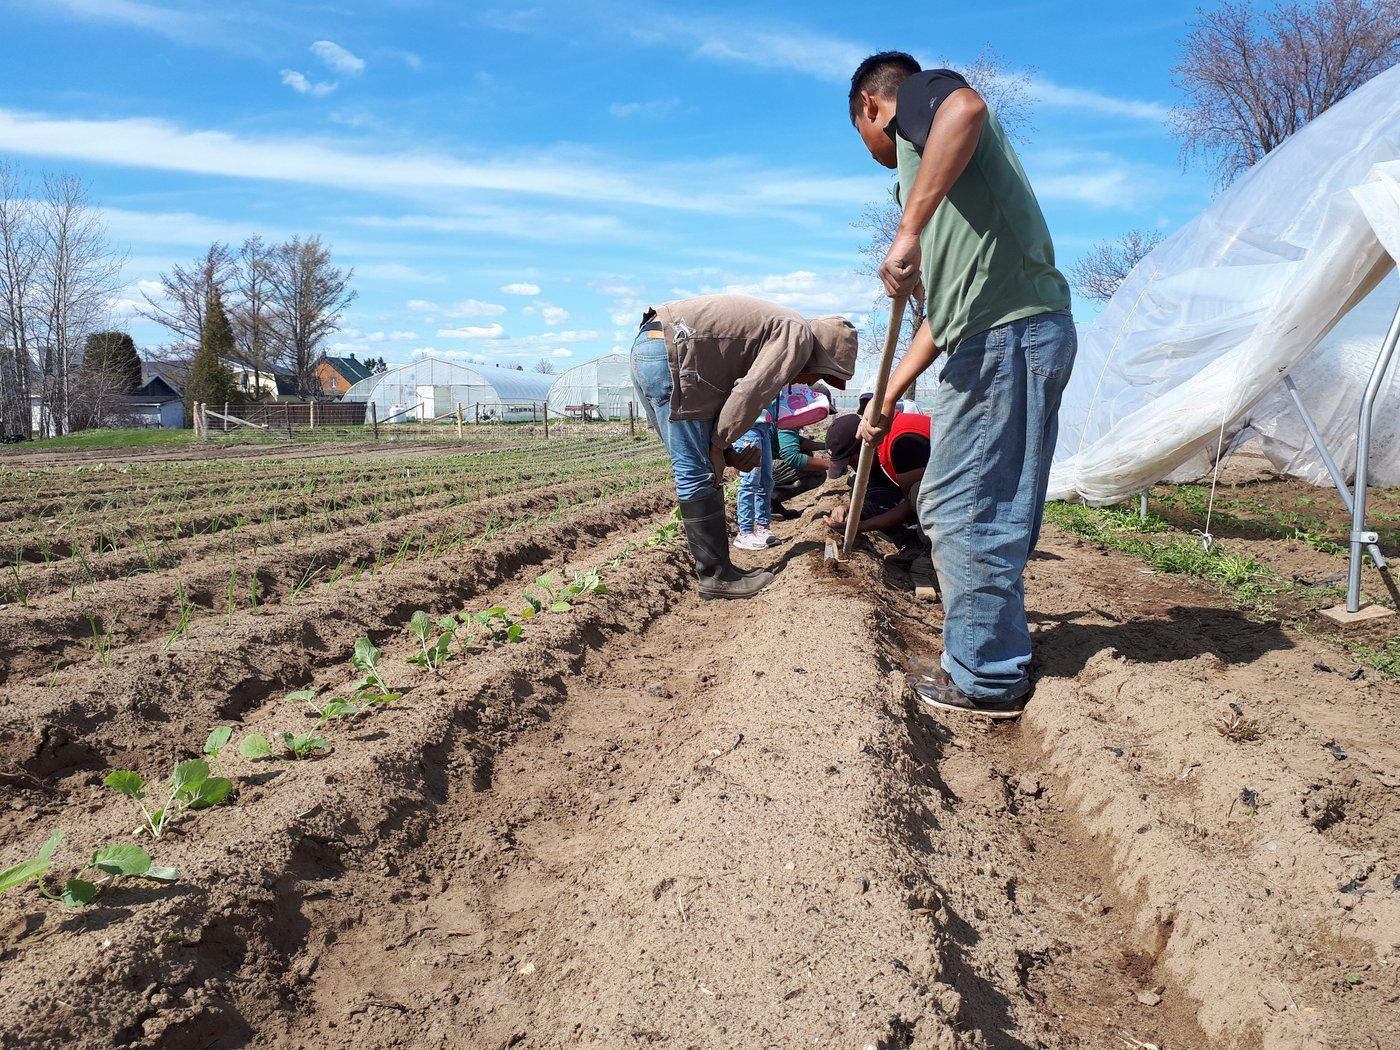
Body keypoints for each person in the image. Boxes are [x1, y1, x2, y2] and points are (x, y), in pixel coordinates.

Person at [848, 52, 1077, 719]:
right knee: (982, 504)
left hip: (1008, 337)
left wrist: (909, 229)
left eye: (864, 133)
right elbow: (940, 322)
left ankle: (985, 676)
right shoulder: (944, 191)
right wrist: (886, 398)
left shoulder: (922, 98)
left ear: (870, 106)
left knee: (962, 506)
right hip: (992, 335)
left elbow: (967, 108)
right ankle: (983, 656)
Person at [630, 294, 857, 599]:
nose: (811, 382)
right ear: (822, 355)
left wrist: (725, 454)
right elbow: (750, 393)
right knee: (696, 471)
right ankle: (716, 577)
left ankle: (720, 572)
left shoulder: (779, 327)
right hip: (672, 351)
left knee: (695, 466)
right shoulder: (797, 335)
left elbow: (727, 397)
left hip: (654, 344)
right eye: (823, 374)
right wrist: (718, 446)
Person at [823, 409, 931, 559]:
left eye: (852, 462)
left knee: (910, 496)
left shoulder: (904, 443)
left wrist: (860, 527)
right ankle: (913, 543)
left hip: (960, 498)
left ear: (864, 446)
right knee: (861, 488)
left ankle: (926, 549)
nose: (853, 468)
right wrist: (847, 509)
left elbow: (913, 504)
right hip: (924, 491)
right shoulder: (878, 444)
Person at [733, 408, 777, 550]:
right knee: (750, 481)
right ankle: (744, 532)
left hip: (764, 426)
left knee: (766, 480)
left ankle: (763, 528)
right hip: (748, 427)